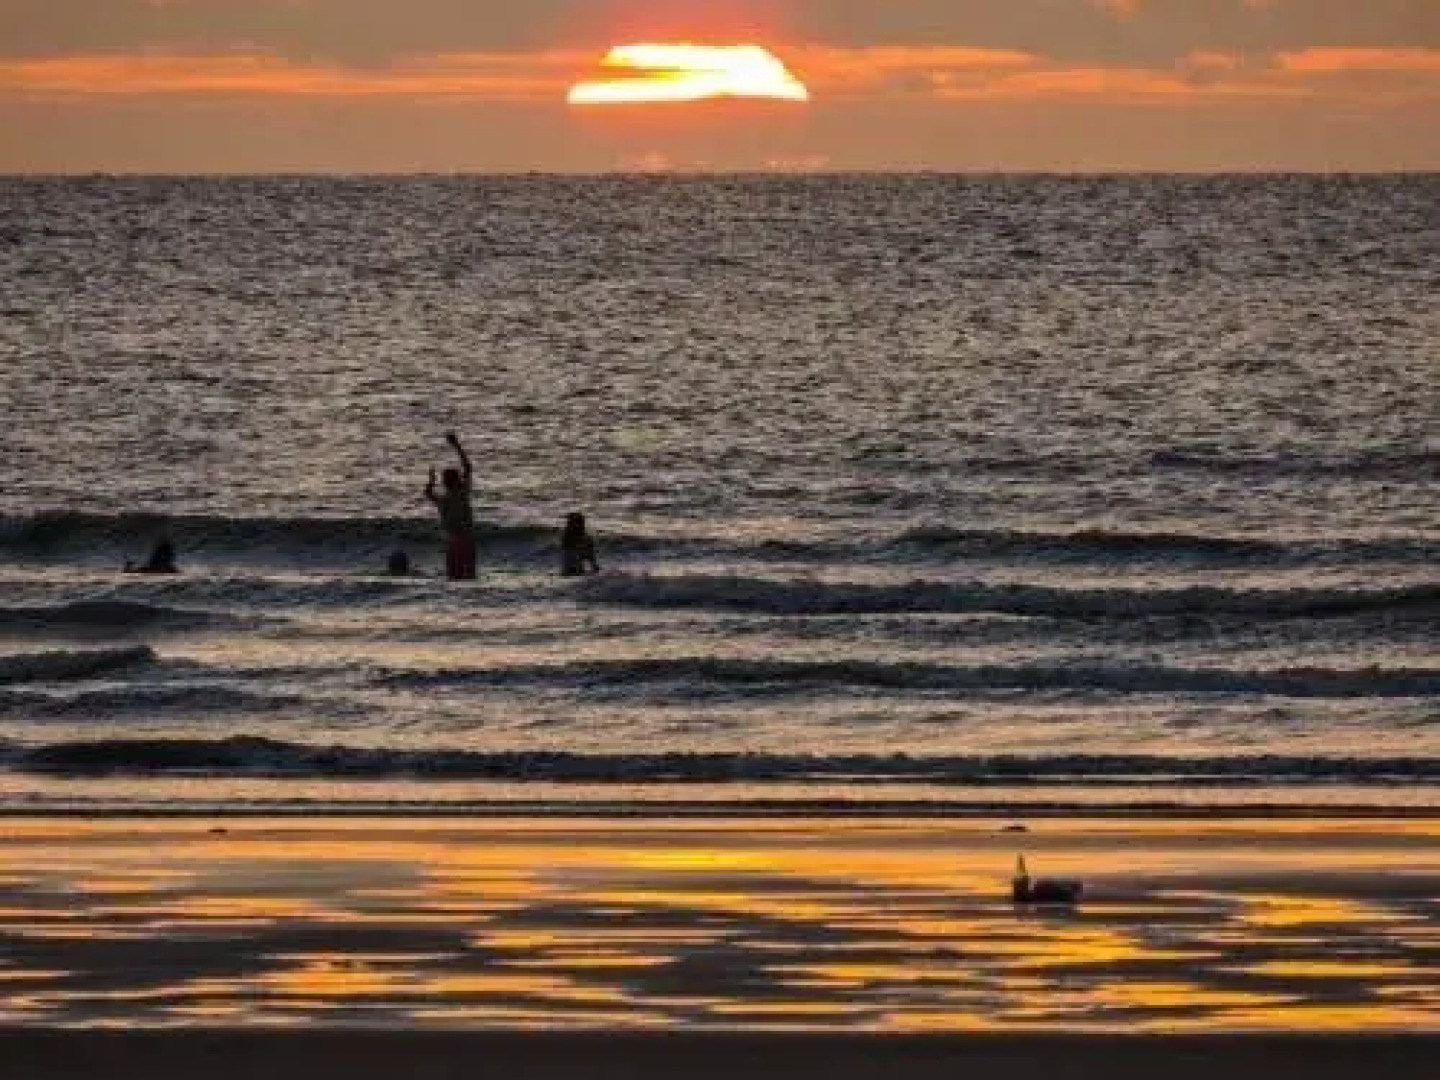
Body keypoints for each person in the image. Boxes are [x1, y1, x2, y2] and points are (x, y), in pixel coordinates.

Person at [424, 431, 477, 581]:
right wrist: (457, 445)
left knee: (453, 578)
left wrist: (431, 481)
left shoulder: (446, 499)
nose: (443, 481)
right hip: (465, 541)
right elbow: (468, 467)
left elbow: (428, 493)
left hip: (454, 542)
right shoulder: (461, 493)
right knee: (469, 577)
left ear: (447, 482)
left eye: (444, 479)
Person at [560, 512, 600, 577]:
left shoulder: (567, 537)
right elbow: (589, 556)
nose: (567, 524)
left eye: (569, 523)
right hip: (574, 573)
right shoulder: (573, 538)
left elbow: (588, 556)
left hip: (569, 573)